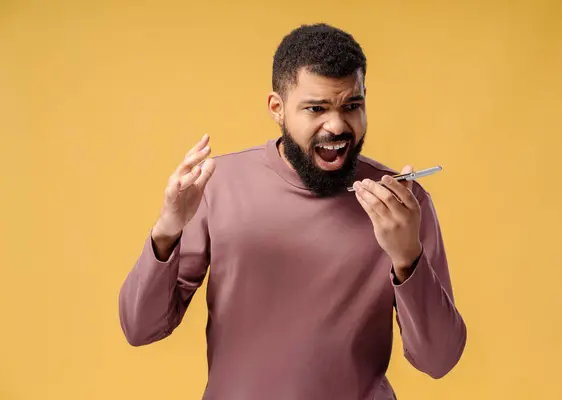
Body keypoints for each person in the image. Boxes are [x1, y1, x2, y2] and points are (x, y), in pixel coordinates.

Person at [119, 23, 467, 400]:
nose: (336, 125)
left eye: (352, 106)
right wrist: (167, 229)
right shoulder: (216, 187)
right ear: (277, 108)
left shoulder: (401, 204)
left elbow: (439, 360)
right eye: (316, 108)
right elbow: (141, 328)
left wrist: (407, 258)